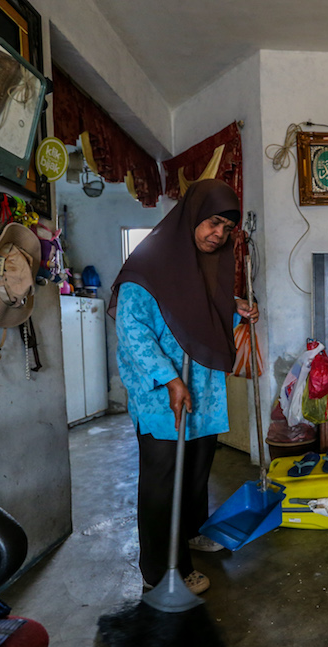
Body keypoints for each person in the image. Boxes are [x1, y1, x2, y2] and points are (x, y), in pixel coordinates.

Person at [109, 179, 258, 595]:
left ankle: (190, 532)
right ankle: (161, 570)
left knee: (195, 471)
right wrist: (170, 378)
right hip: (162, 393)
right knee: (163, 480)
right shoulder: (147, 267)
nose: (218, 234)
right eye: (213, 223)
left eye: (227, 229)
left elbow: (198, 317)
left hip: (202, 388)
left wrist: (235, 309)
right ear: (193, 216)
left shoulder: (202, 266)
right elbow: (133, 330)